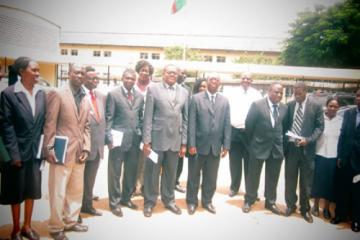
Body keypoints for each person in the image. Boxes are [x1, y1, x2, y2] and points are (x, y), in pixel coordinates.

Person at [43, 63, 90, 240]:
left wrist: (86, 147)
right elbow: (50, 123)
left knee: (75, 190)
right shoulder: (57, 93)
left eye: (82, 73)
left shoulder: (85, 96)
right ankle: (56, 227)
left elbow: (86, 125)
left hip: (79, 152)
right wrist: (49, 148)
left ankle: (70, 221)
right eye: (77, 72)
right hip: (61, 151)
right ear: (69, 74)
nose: (80, 75)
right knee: (58, 192)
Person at [0, 57, 45, 240]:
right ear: (21, 72)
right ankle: (16, 229)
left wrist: (44, 150)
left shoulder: (41, 93)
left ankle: (27, 226)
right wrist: (13, 154)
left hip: (35, 152)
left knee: (31, 191)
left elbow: (43, 124)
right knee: (16, 192)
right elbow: (6, 126)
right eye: (34, 70)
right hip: (17, 153)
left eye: (38, 70)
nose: (37, 74)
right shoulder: (9, 94)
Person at [142, 64, 189, 217]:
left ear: (178, 75)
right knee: (152, 173)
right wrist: (147, 141)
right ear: (163, 73)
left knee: (171, 173)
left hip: (175, 140)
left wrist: (184, 143)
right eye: (169, 72)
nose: (172, 75)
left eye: (175, 73)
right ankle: (149, 202)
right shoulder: (153, 89)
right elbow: (147, 117)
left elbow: (186, 119)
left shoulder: (184, 92)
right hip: (156, 140)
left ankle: (169, 200)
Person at [186, 73, 231, 215]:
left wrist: (226, 145)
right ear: (207, 81)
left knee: (211, 177)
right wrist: (191, 144)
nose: (214, 82)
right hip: (198, 146)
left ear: (219, 84)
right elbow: (191, 123)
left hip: (215, 147)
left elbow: (226, 124)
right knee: (193, 176)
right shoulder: (196, 99)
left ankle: (207, 201)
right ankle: (192, 202)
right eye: (211, 79)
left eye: (217, 80)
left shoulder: (224, 101)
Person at [242, 83, 287, 215]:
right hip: (258, 147)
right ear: (269, 91)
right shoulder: (257, 105)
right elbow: (248, 125)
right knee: (253, 176)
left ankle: (270, 202)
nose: (279, 95)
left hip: (276, 149)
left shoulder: (284, 108)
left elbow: (285, 128)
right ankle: (249, 200)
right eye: (276, 92)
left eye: (281, 93)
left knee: (273, 177)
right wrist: (252, 144)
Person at [105, 69, 144, 217]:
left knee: (131, 171)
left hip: (134, 140)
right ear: (122, 78)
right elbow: (109, 118)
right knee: (115, 172)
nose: (130, 81)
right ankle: (114, 203)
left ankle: (126, 198)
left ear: (135, 80)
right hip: (117, 140)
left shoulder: (140, 96)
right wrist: (109, 138)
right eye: (127, 78)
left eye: (132, 79)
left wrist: (139, 133)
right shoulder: (113, 94)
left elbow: (140, 118)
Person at [284, 82, 324, 223]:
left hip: (307, 149)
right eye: (295, 93)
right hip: (291, 149)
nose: (296, 96)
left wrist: (308, 140)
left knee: (306, 182)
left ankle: (305, 209)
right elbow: (285, 125)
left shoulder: (316, 106)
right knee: (290, 179)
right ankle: (290, 205)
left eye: (299, 93)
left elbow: (319, 128)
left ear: (306, 91)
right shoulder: (289, 105)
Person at [225, 71, 262, 197]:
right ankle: (234, 188)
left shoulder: (257, 94)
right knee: (234, 162)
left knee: (249, 163)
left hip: (249, 133)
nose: (246, 80)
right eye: (244, 78)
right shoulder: (232, 93)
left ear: (252, 81)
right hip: (234, 131)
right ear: (240, 79)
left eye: (249, 78)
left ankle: (250, 190)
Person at [331, 89, 360, 232]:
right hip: (345, 159)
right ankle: (340, 215)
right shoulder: (349, 113)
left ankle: (356, 220)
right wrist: (340, 156)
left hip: (359, 163)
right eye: (358, 96)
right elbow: (342, 136)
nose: (359, 98)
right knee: (342, 190)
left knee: (357, 193)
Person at [80, 66, 106, 217]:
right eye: (91, 78)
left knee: (90, 179)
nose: (95, 80)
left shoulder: (101, 96)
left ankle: (87, 205)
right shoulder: (79, 95)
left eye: (97, 78)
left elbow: (103, 120)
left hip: (97, 146)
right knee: (78, 181)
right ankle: (75, 210)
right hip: (83, 146)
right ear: (84, 79)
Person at [310, 97, 342, 220]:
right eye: (330, 106)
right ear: (326, 106)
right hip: (319, 154)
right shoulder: (320, 119)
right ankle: (316, 205)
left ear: (338, 108)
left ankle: (327, 208)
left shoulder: (341, 120)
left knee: (330, 184)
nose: (333, 108)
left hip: (333, 157)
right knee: (318, 182)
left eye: (335, 106)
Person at [133, 60, 154, 197]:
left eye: (147, 71)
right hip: (133, 126)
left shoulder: (154, 88)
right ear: (138, 71)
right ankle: (132, 186)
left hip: (149, 127)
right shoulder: (131, 85)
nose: (145, 73)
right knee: (133, 158)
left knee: (146, 158)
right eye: (142, 70)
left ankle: (143, 186)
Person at [174, 67, 190, 193]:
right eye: (181, 73)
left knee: (179, 159)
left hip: (180, 130)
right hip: (165, 131)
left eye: (185, 74)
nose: (183, 75)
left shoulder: (187, 89)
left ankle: (176, 182)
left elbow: (187, 113)